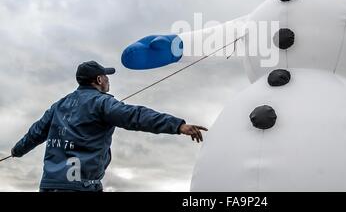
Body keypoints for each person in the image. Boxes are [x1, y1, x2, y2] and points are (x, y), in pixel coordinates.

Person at [10, 60, 207, 192]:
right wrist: (177, 126)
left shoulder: (58, 105)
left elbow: (34, 134)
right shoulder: (103, 103)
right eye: (106, 76)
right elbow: (135, 116)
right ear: (99, 80)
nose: (108, 79)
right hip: (82, 187)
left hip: (48, 186)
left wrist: (15, 151)